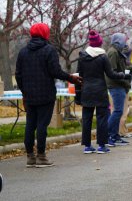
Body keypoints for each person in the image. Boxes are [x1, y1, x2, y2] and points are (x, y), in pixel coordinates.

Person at [15, 23, 82, 167]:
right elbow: (55, 71)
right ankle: (41, 157)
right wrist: (71, 78)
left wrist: (24, 92)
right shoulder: (48, 50)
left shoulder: (23, 52)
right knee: (41, 126)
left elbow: (18, 75)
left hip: (29, 96)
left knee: (30, 125)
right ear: (45, 33)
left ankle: (30, 157)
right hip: (46, 95)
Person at [77, 30, 132, 154]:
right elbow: (111, 74)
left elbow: (79, 76)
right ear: (100, 44)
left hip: (86, 91)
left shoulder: (82, 56)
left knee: (87, 119)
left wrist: (78, 93)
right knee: (102, 117)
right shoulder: (103, 56)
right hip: (100, 90)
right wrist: (123, 75)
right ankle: (102, 145)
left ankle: (87, 146)